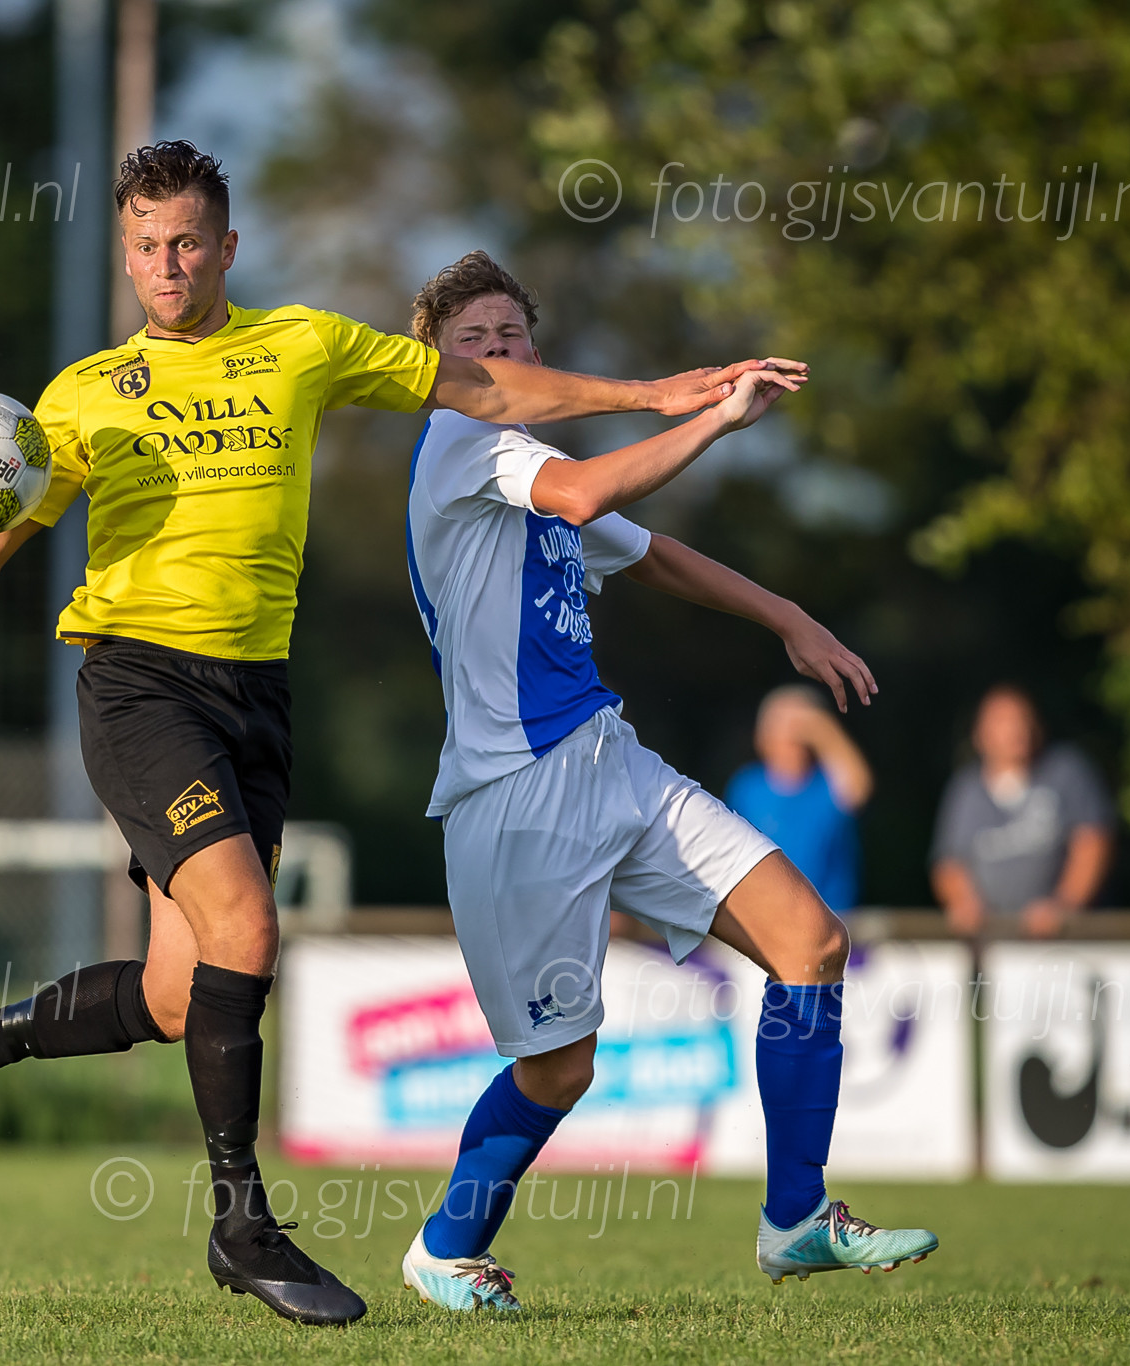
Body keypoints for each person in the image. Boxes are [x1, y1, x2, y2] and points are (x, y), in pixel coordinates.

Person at [0, 142, 788, 1327]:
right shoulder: (77, 398)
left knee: (179, 992)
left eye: (186, 242)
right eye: (143, 246)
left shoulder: (302, 345)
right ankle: (241, 1226)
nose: (166, 265)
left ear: (226, 246)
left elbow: (484, 391)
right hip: (137, 687)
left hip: (253, 699)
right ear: (122, 254)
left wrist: (655, 393)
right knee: (245, 929)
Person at [396, 252, 937, 1312]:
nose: (497, 352)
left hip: (613, 764)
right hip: (515, 801)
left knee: (812, 943)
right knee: (560, 1069)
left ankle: (796, 1218)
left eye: (511, 335)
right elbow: (590, 489)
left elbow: (650, 552)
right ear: (437, 369)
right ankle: (444, 1249)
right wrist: (706, 416)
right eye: (472, 341)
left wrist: (787, 617)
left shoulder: (526, 463)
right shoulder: (459, 443)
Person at [931, 683, 1114, 938]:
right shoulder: (966, 790)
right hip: (993, 940)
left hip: (1064, 940)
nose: (1017, 729)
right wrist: (964, 902)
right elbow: (948, 863)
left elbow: (1092, 843)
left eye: (1023, 718)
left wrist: (1064, 904)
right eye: (1003, 721)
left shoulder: (1066, 771)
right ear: (979, 735)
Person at [726, 684, 873, 913]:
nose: (793, 736)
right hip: (762, 916)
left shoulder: (828, 784)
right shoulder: (747, 787)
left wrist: (822, 728)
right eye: (782, 726)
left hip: (831, 916)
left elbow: (859, 789)